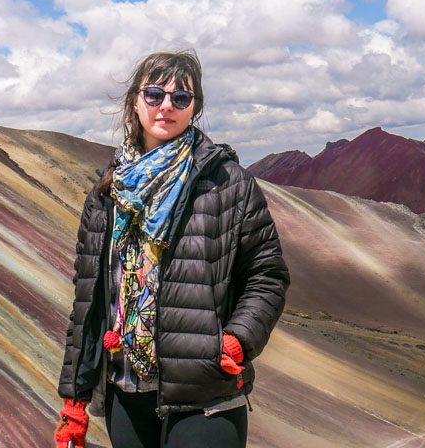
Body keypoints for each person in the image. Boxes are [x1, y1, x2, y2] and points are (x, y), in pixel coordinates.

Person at [54, 50, 290, 448]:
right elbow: (89, 302)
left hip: (206, 396)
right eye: (154, 94)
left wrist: (238, 339)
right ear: (135, 101)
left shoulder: (227, 183)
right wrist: (74, 398)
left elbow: (268, 275)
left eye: (181, 98)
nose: (166, 106)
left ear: (194, 108)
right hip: (126, 391)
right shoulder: (108, 192)